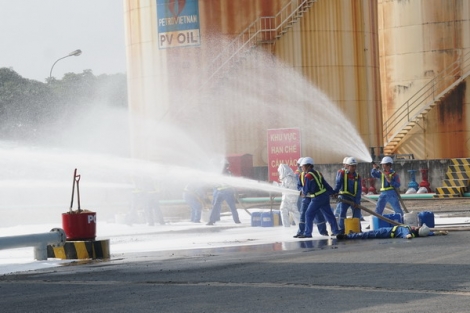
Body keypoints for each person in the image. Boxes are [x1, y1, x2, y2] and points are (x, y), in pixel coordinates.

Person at [296, 157, 340, 238]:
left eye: (303, 166)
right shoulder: (318, 173)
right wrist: (333, 192)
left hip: (317, 198)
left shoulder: (308, 176)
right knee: (329, 215)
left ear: (309, 166)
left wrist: (303, 193)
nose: (302, 168)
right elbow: (325, 184)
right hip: (325, 196)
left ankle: (307, 233)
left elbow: (305, 190)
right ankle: (336, 231)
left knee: (308, 214)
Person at [294, 158, 329, 237]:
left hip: (314, 198)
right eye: (300, 166)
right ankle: (301, 232)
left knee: (318, 214)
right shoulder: (301, 175)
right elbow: (299, 185)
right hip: (306, 198)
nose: (300, 168)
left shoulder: (312, 175)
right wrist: (302, 190)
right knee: (303, 214)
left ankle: (323, 231)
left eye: (301, 166)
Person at [207, 159, 241, 225]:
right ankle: (236, 221)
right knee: (229, 207)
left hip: (223, 192)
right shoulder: (227, 173)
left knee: (217, 207)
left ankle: (211, 221)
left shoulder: (221, 173)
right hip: (224, 192)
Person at [333, 157, 362, 234]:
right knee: (342, 213)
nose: (353, 168)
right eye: (352, 166)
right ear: (348, 166)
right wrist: (335, 192)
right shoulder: (342, 173)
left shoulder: (357, 176)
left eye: (355, 166)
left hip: (354, 198)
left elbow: (359, 190)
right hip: (344, 197)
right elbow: (338, 184)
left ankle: (357, 229)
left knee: (357, 214)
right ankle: (342, 229)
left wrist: (357, 201)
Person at [336, 223, 448, 240]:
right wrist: (439, 232)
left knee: (368, 234)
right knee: (368, 234)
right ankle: (352, 234)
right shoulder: (420, 233)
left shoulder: (408, 231)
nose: (416, 226)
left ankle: (347, 236)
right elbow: (429, 233)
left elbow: (406, 235)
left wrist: (409, 236)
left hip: (386, 232)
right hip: (388, 230)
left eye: (418, 227)